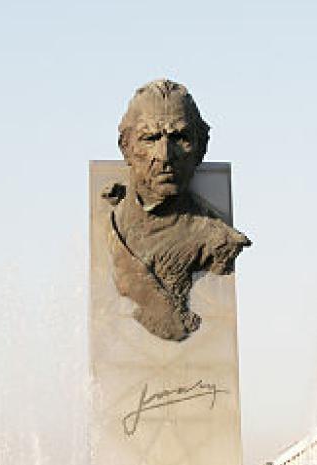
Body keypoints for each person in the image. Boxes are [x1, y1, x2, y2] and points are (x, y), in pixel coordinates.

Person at [104, 79, 251, 341]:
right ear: (125, 147)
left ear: (201, 147)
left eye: (180, 138)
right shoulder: (113, 216)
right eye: (150, 138)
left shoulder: (218, 241)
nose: (165, 155)